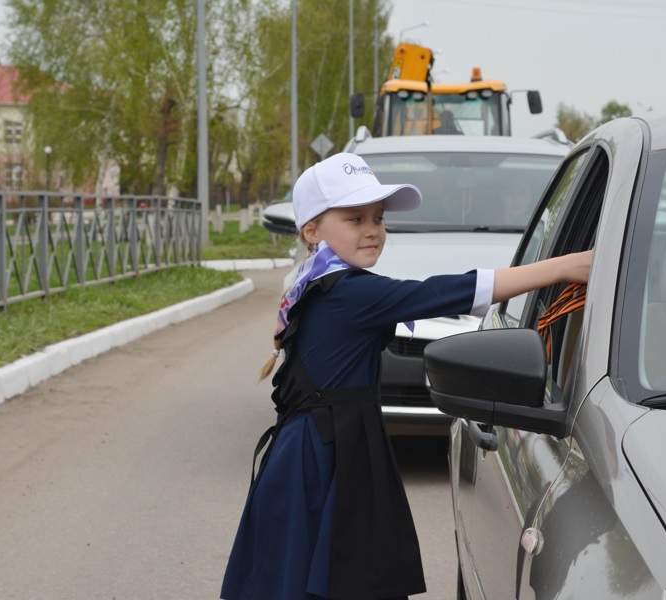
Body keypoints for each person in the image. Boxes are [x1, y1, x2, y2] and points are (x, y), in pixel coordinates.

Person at [220, 152, 592, 600]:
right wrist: (565, 267)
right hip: (324, 459)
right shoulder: (350, 293)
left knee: (304, 579)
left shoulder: (316, 282)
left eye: (378, 217)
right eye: (355, 218)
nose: (373, 229)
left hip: (316, 449)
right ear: (312, 230)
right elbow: (442, 291)